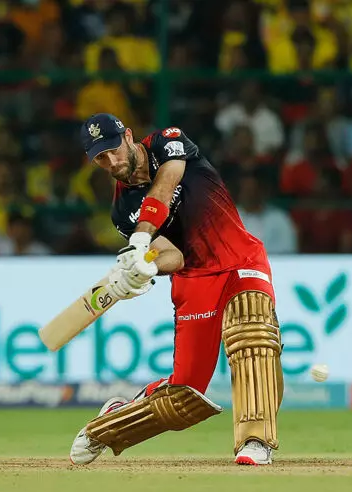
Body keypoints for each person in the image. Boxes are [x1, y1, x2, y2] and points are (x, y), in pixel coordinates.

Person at [70, 114, 284, 466]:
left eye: (113, 150)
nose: (111, 162)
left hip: (241, 259)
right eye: (101, 158)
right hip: (194, 280)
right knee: (184, 395)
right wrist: (147, 266)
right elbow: (175, 256)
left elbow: (167, 184)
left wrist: (140, 239)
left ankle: (255, 441)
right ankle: (109, 424)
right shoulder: (123, 211)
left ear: (128, 136)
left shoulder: (167, 141)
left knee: (253, 335)